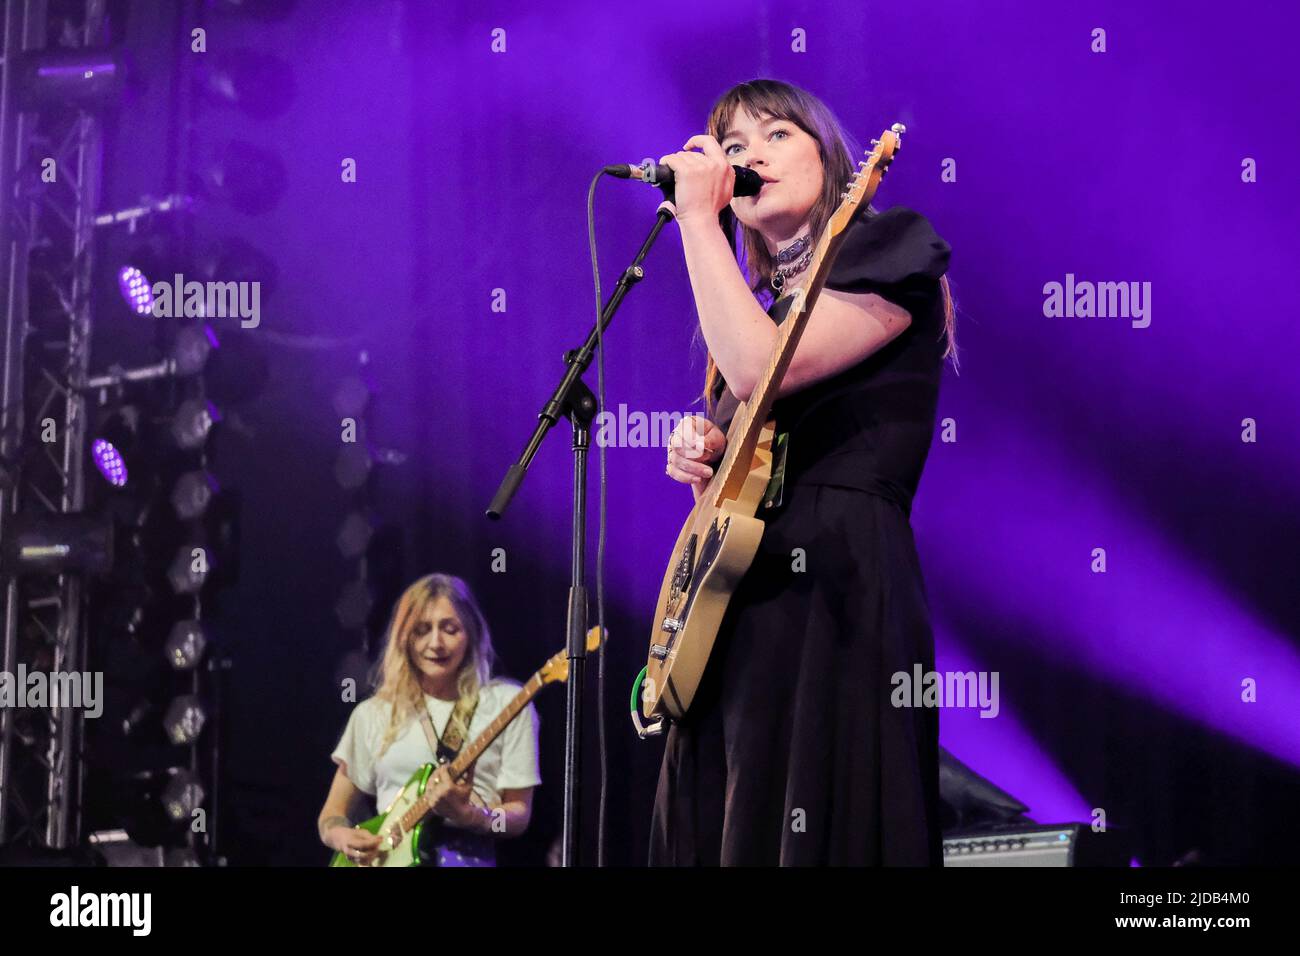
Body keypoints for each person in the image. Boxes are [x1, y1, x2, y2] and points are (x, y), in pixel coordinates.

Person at [649, 78, 956, 865]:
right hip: (737, 605)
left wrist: (695, 218)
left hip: (835, 584)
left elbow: (761, 368)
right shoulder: (753, 306)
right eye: (734, 147)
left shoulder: (892, 248)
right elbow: (741, 465)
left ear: (830, 154)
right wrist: (701, 463)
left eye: (775, 135)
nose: (750, 157)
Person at [318, 574, 541, 866]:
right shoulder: (373, 713)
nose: (436, 643)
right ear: (403, 638)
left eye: (450, 629)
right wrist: (341, 836)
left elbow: (519, 815)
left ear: (471, 633)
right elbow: (331, 814)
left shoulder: (508, 704)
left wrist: (471, 816)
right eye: (422, 630)